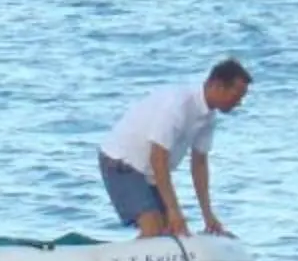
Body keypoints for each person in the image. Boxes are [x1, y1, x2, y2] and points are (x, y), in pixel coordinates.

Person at [98, 60, 250, 238]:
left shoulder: (208, 117)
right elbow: (158, 158)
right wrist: (174, 211)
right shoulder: (179, 105)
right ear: (217, 85)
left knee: (170, 231)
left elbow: (199, 165)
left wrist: (208, 216)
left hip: (148, 172)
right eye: (237, 95)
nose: (239, 103)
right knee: (153, 227)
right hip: (121, 161)